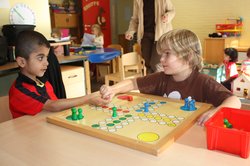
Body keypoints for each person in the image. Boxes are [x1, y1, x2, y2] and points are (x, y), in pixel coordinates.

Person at [100, 29, 241, 126]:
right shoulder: (161, 78)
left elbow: (235, 101)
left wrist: (217, 111)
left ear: (188, 57)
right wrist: (113, 89)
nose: (161, 59)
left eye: (167, 54)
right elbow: (132, 83)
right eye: (161, 54)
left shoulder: (203, 81)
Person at [9, 30, 108, 119]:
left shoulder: (42, 82)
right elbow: (53, 105)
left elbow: (58, 106)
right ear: (22, 62)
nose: (47, 63)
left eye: (46, 57)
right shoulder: (19, 90)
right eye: (40, 58)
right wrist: (88, 98)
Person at [125, 0, 175, 73]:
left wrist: (167, 16)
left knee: (156, 64)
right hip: (145, 35)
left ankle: (156, 83)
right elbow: (135, 19)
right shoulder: (137, 1)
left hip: (160, 35)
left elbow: (172, 11)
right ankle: (151, 82)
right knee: (147, 63)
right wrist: (130, 31)